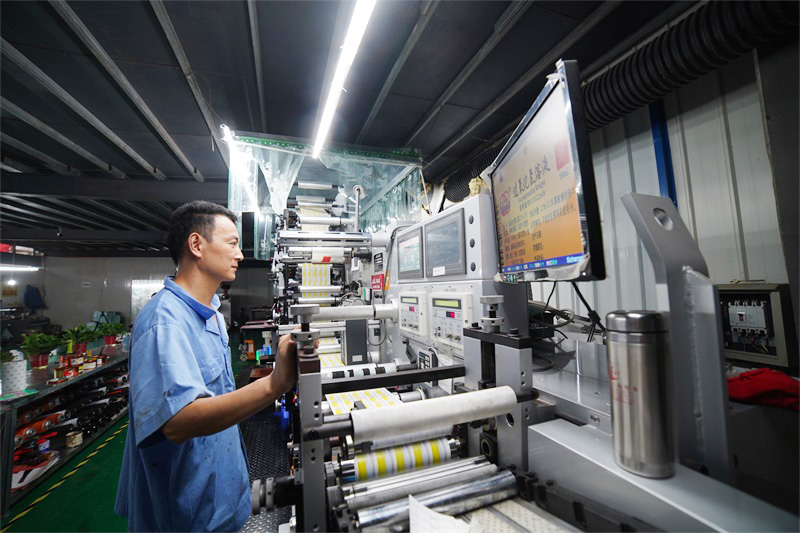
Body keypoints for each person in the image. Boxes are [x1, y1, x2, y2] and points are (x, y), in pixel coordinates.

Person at [115, 201, 297, 531]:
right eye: (232, 243)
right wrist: (274, 384)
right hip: (186, 517)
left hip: (220, 501)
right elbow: (178, 422)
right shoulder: (164, 322)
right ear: (197, 245)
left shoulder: (210, 313)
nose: (239, 254)